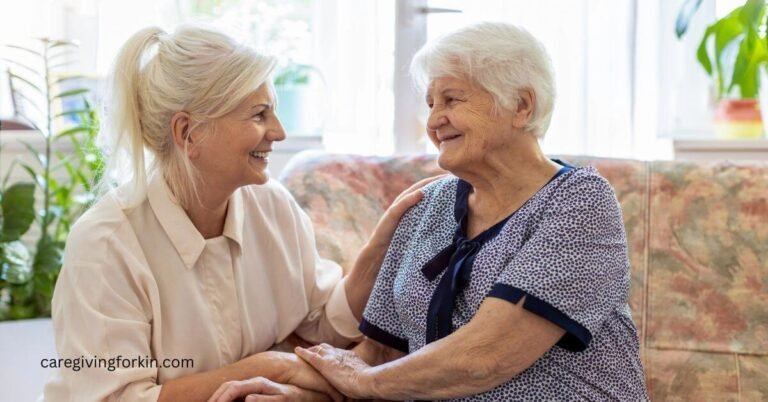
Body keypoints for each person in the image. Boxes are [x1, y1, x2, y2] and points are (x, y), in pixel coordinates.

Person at [41, 24, 432, 402]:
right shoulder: (105, 245)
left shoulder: (272, 204)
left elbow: (322, 325)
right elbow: (119, 399)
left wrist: (378, 251)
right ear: (188, 133)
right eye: (259, 114)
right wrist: (268, 367)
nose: (279, 132)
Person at [294, 22, 649, 401]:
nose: (433, 121)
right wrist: (301, 393)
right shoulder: (426, 205)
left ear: (521, 105)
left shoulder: (580, 201)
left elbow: (487, 355)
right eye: (431, 104)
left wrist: (365, 383)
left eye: (452, 100)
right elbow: (381, 354)